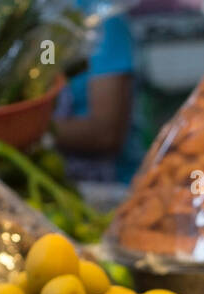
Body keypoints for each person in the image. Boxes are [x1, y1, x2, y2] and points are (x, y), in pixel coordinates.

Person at [53, 3, 137, 183]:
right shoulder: (32, 15)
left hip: (107, 186)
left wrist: (19, 129)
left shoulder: (102, 17)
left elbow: (106, 135)